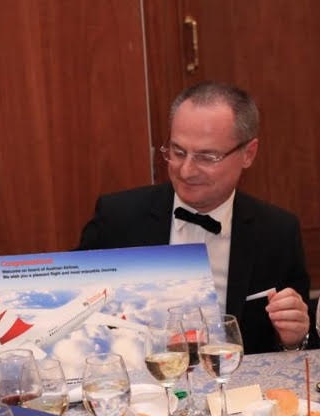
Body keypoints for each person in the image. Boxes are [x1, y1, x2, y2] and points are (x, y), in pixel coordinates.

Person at [78, 81, 314, 354]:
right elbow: (75, 307)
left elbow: (294, 345)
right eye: (178, 152)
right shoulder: (117, 218)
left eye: (207, 157)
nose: (186, 171)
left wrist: (294, 338)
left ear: (248, 154)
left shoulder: (278, 233)